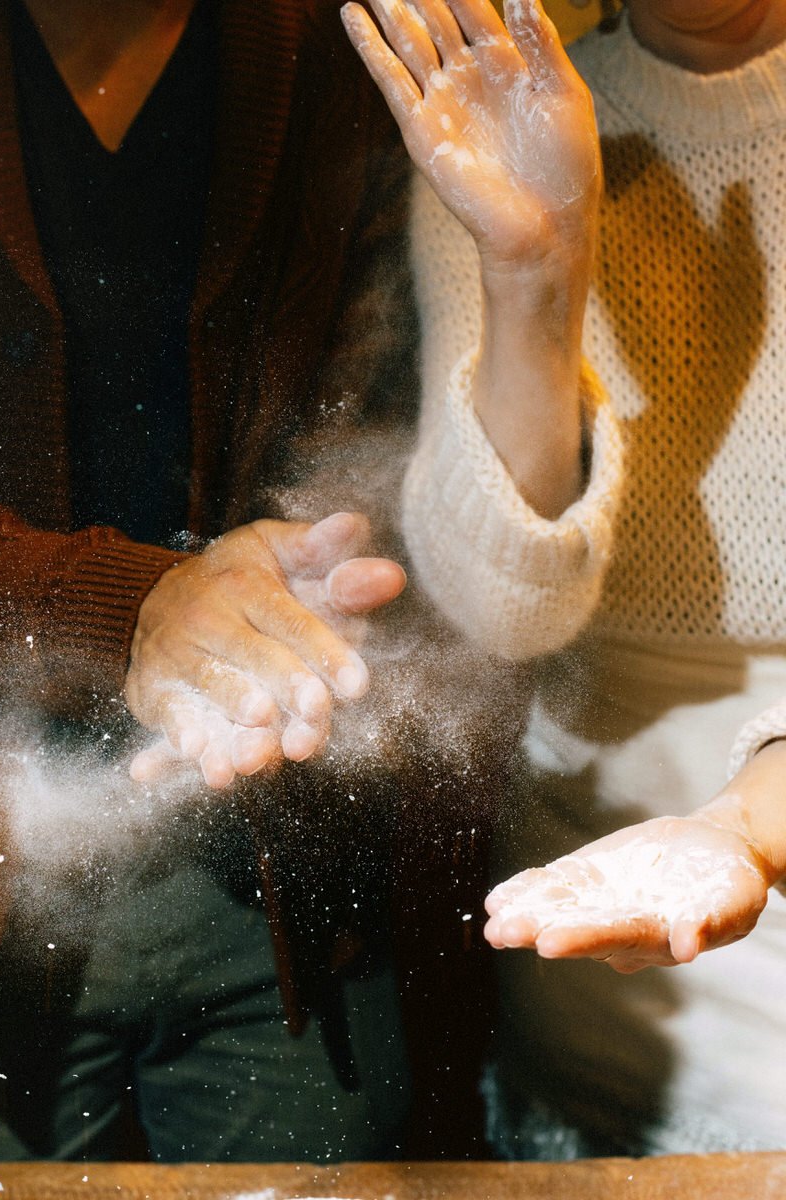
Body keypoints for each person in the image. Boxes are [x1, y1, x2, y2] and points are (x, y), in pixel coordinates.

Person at [344, 0, 786, 1157]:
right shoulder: (508, 112)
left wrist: (748, 828)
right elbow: (500, 613)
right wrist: (537, 266)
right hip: (603, 899)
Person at [0, 0, 419, 1161]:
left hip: (277, 881)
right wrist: (134, 608)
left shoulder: (335, 51)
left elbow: (381, 417)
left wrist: (305, 568)